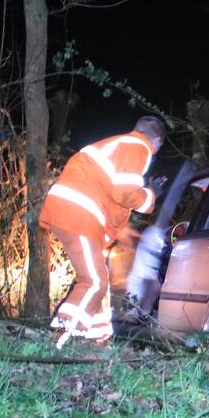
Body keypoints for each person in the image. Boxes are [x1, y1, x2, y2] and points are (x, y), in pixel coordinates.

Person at [39, 116, 167, 348]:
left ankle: (98, 341)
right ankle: (59, 340)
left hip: (73, 210)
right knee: (94, 281)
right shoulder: (138, 146)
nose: (155, 153)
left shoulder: (116, 145)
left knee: (100, 281)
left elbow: (112, 197)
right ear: (156, 141)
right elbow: (125, 193)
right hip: (78, 213)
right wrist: (150, 195)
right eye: (158, 148)